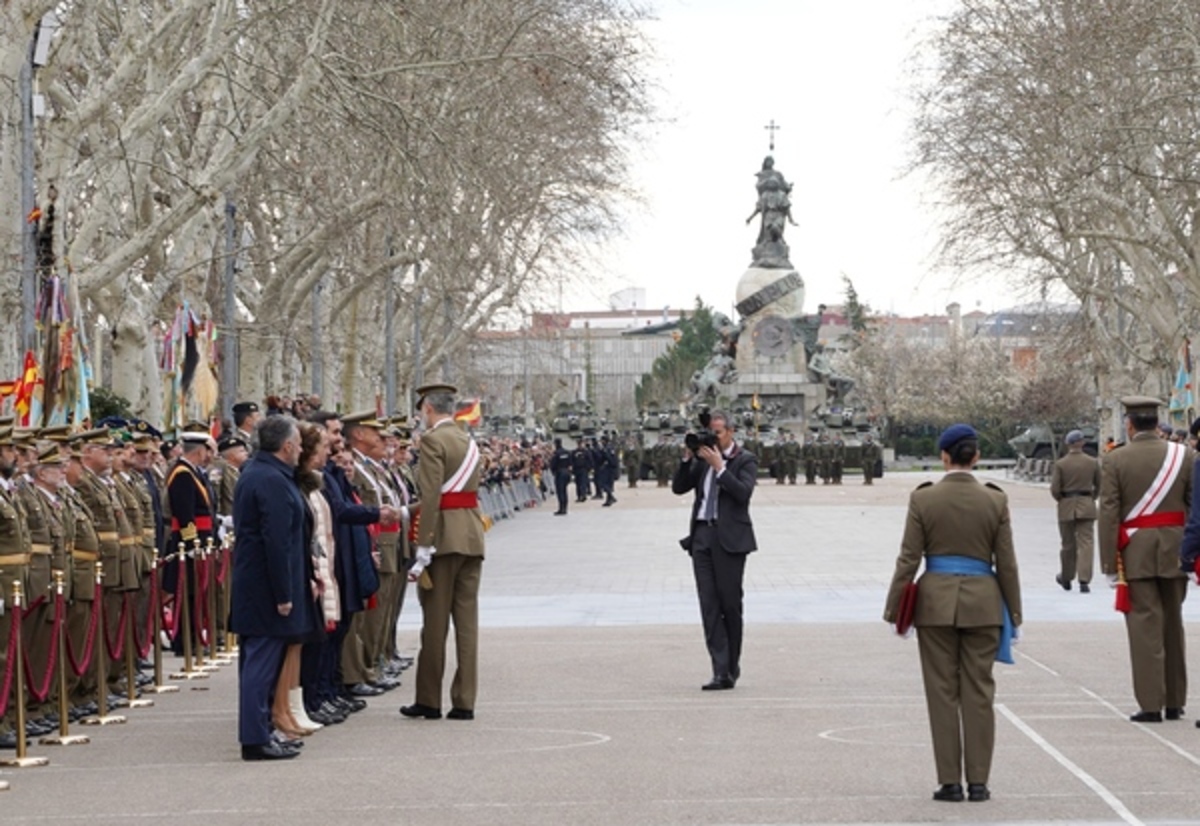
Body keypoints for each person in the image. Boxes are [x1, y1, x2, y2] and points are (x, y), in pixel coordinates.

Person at [883, 423, 1022, 803]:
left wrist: (894, 607)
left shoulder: (924, 499)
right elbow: (1006, 563)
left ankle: (950, 782)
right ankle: (979, 782)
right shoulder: (995, 500)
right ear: (975, 457)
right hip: (983, 603)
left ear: (944, 456)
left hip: (936, 604)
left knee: (942, 693)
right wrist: (1015, 612)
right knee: (979, 693)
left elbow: (909, 558)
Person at [1102, 396, 1191, 723]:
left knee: (1144, 628)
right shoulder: (1185, 456)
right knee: (1172, 624)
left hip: (1135, 552)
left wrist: (1110, 563)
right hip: (1176, 549)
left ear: (1129, 423)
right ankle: (1174, 701)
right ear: (1157, 422)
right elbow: (1194, 508)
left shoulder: (1115, 460)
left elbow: (1109, 513)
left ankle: (1151, 704)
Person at [401, 383, 486, 721]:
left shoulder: (433, 440)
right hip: (471, 534)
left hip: (443, 539)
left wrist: (423, 543)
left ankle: (429, 699)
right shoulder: (468, 440)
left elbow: (433, 494)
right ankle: (465, 700)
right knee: (467, 623)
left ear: (428, 409)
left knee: (435, 623)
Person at [230, 415, 312, 760]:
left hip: (258, 585)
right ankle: (255, 738)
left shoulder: (262, 473)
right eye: (299, 443)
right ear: (287, 445)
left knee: (262, 665)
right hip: (266, 589)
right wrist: (284, 595)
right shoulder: (270, 479)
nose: (302, 450)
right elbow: (277, 542)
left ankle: (261, 731)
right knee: (260, 666)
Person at [672, 410, 758, 691]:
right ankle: (720, 670)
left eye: (718, 434)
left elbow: (743, 493)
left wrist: (720, 467)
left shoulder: (744, 460)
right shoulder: (701, 460)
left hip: (730, 540)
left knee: (730, 605)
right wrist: (688, 458)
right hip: (702, 537)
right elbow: (678, 488)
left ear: (731, 432)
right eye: (710, 433)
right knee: (709, 605)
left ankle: (732, 665)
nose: (713, 439)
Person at [1050, 429, 1100, 593]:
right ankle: (1084, 579)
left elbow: (1055, 489)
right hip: (1086, 503)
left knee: (1067, 544)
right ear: (1082, 443)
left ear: (1068, 444)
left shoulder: (1061, 464)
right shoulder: (1092, 462)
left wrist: (1062, 499)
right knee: (1086, 543)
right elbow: (1100, 484)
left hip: (1066, 504)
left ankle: (1066, 576)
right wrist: (1091, 497)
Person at [549, 438, 571, 515]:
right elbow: (570, 462)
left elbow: (553, 464)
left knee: (560, 491)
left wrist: (553, 472)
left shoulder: (556, 453)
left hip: (559, 473)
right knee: (565, 491)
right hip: (566, 472)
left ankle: (561, 508)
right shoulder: (567, 452)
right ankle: (565, 507)